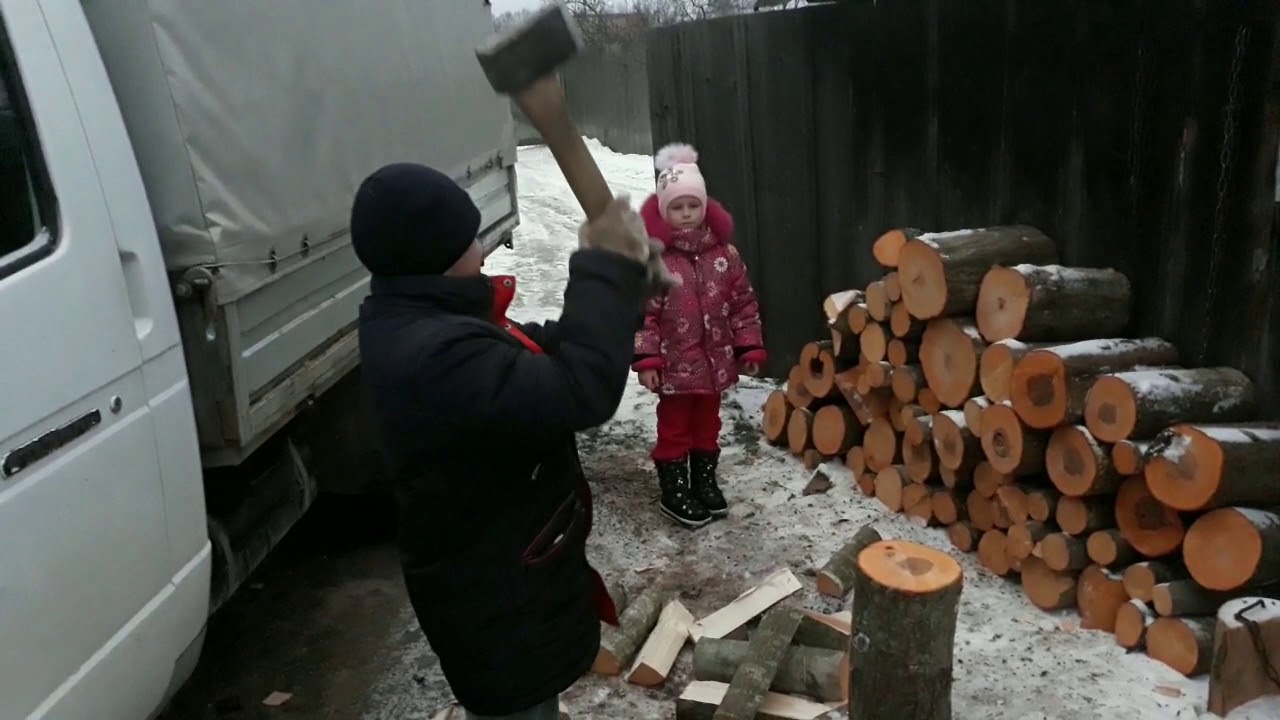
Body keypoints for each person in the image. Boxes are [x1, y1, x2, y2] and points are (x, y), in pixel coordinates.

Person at [353, 162, 658, 719]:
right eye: (470, 240)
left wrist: (618, 306)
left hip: (501, 577)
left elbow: (528, 354)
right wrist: (603, 270)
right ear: (434, 258)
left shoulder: (418, 321)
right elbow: (577, 390)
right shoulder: (435, 355)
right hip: (495, 597)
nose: (485, 250)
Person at [632, 143, 765, 529]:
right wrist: (647, 360)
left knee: (708, 426)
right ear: (662, 210)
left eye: (693, 205)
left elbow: (744, 304)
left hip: (714, 365)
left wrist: (749, 345)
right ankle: (675, 490)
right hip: (674, 369)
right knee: (675, 429)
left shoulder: (726, 256)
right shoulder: (657, 261)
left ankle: (703, 481)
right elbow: (644, 317)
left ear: (705, 206)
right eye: (677, 207)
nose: (686, 214)